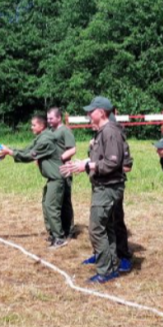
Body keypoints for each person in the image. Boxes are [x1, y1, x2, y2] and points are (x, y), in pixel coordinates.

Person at [60, 96, 126, 283]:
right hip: (104, 186)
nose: (88, 114)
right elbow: (102, 159)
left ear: (102, 113)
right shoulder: (103, 132)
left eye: (91, 111)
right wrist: (84, 163)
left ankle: (105, 270)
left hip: (107, 187)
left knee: (97, 229)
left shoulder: (109, 132)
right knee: (107, 227)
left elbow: (112, 162)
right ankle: (112, 266)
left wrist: (88, 166)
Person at [0, 115, 67, 249]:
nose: (31, 128)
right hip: (51, 179)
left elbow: (28, 156)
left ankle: (59, 238)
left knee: (51, 207)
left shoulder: (45, 140)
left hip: (56, 179)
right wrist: (8, 150)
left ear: (41, 126)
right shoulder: (41, 137)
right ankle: (53, 234)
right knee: (46, 205)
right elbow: (26, 149)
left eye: (33, 125)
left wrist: (10, 152)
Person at [108, 112, 135, 272]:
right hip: (100, 186)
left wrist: (106, 168)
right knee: (103, 221)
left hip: (114, 185)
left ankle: (123, 255)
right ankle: (103, 253)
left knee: (116, 220)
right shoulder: (98, 139)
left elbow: (127, 167)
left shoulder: (120, 142)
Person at [47, 107, 76, 240]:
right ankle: (56, 229)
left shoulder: (65, 131)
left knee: (65, 201)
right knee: (55, 202)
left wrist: (60, 158)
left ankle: (69, 230)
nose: (49, 121)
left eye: (51, 118)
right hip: (54, 171)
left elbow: (72, 149)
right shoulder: (50, 132)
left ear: (59, 118)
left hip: (64, 170)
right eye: (47, 118)